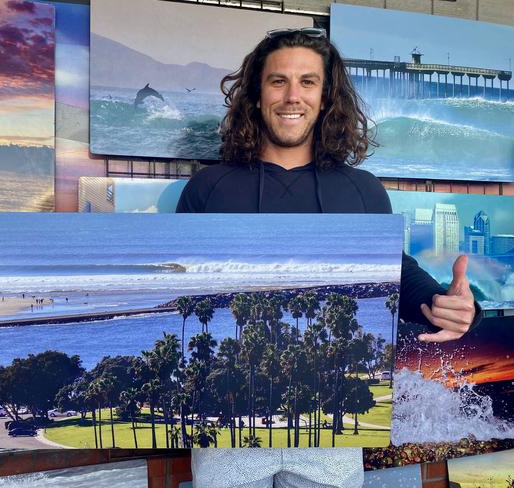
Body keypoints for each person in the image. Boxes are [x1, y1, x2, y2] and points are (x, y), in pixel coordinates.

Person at [178, 27, 479, 488]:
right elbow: (180, 283)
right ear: (257, 95)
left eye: (308, 82)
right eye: (278, 81)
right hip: (229, 419)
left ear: (326, 97)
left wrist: (446, 304)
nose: (291, 95)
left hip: (331, 424)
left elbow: (395, 273)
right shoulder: (208, 187)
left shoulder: (361, 190)